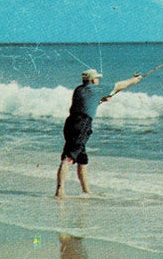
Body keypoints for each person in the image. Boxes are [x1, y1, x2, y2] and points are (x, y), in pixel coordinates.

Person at [55, 68, 141, 197]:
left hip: (70, 123)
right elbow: (119, 85)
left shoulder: (79, 90)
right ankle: (60, 190)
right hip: (82, 124)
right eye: (97, 79)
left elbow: (87, 102)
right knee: (69, 157)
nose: (98, 81)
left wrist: (101, 99)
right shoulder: (96, 89)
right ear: (92, 80)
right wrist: (134, 80)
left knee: (82, 160)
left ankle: (86, 191)